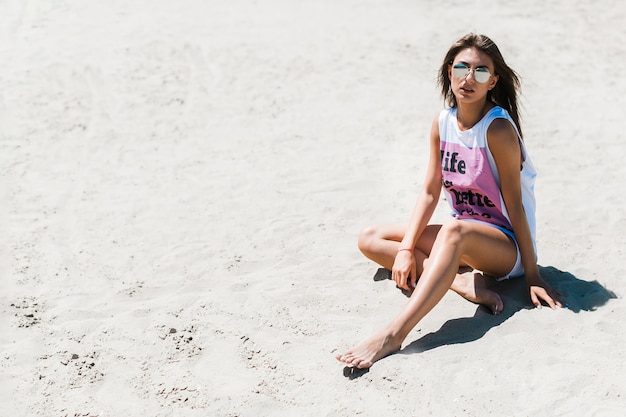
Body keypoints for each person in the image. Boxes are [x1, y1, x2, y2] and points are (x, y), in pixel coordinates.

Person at [336, 33, 563, 369]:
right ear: (449, 72)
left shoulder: (497, 129)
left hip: (505, 247)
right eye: (462, 68)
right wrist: (404, 250)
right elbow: (430, 191)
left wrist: (532, 275)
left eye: (481, 72)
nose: (469, 79)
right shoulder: (443, 123)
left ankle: (393, 334)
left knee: (454, 230)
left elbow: (515, 205)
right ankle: (457, 280)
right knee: (371, 238)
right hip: (462, 237)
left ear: (493, 81)